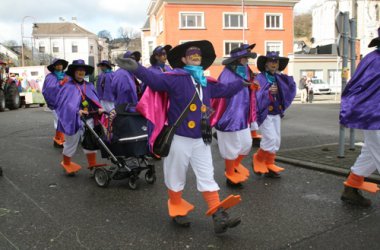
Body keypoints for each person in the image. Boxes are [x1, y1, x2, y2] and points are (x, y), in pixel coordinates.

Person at [116, 40, 249, 234]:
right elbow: (155, 81)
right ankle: (177, 207)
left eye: (199, 55)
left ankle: (219, 216)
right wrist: (137, 69)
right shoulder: (176, 78)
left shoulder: (206, 82)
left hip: (201, 139)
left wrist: (240, 83)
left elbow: (225, 90)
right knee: (175, 175)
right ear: (184, 59)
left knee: (207, 176)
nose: (196, 57)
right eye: (192, 55)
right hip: (178, 138)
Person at [340, 27, 380, 207]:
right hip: (375, 117)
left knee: (371, 154)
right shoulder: (374, 60)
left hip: (373, 116)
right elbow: (360, 89)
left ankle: (351, 189)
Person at [211, 43, 258, 187]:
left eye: (247, 58)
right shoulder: (227, 75)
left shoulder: (245, 71)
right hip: (229, 117)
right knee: (231, 148)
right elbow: (220, 96)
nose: (247, 60)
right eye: (245, 58)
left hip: (243, 118)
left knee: (246, 145)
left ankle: (234, 165)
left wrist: (252, 87)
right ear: (238, 59)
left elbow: (248, 91)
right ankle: (230, 175)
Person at [55, 59, 106, 175]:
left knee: (90, 141)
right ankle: (67, 164)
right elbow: (64, 105)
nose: (81, 72)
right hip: (73, 119)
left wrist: (99, 109)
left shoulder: (89, 86)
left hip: (89, 118)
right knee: (71, 143)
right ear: (74, 72)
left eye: (83, 70)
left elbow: (94, 100)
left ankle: (92, 165)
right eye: (78, 70)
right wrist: (77, 111)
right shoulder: (67, 86)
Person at [253, 51, 296, 178]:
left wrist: (281, 89)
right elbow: (255, 95)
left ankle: (270, 164)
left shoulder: (280, 77)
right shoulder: (260, 78)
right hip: (265, 113)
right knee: (270, 138)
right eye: (271, 61)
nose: (273, 63)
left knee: (276, 140)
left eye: (276, 61)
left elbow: (291, 88)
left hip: (276, 112)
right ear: (266, 64)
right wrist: (267, 91)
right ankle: (258, 159)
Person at [42, 58, 69, 148]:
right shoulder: (50, 77)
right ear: (54, 66)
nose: (59, 66)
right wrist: (61, 84)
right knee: (59, 121)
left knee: (65, 121)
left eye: (60, 64)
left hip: (67, 103)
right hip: (56, 103)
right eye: (57, 64)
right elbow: (48, 90)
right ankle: (61, 140)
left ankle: (58, 140)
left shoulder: (67, 76)